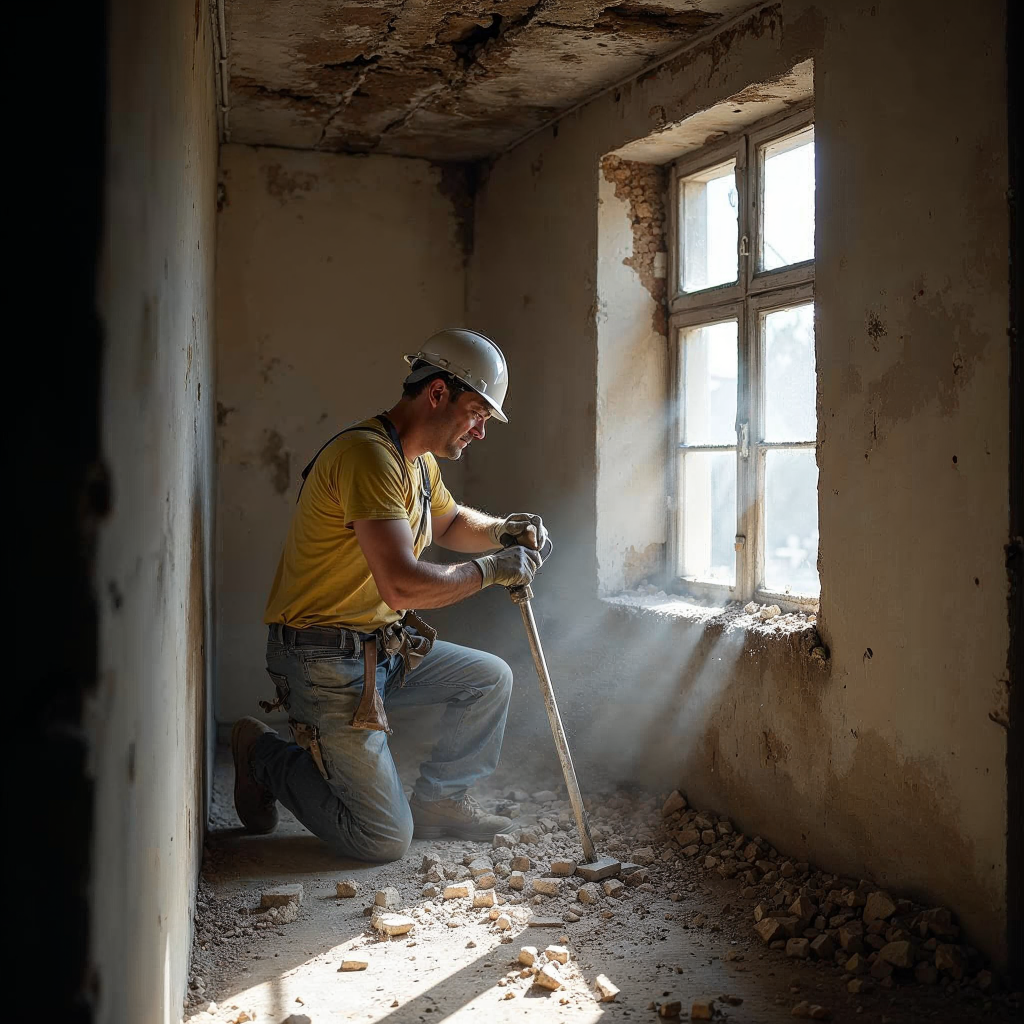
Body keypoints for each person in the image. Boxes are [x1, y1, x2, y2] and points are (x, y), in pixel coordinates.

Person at [230, 328, 548, 862]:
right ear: (438, 393)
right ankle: (262, 754)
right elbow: (401, 583)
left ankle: (440, 802)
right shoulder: (368, 458)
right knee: (380, 839)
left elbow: (447, 523)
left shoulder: (415, 460)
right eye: (477, 413)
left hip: (379, 647)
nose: (480, 431)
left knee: (489, 678)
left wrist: (501, 531)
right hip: (322, 660)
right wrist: (493, 569)